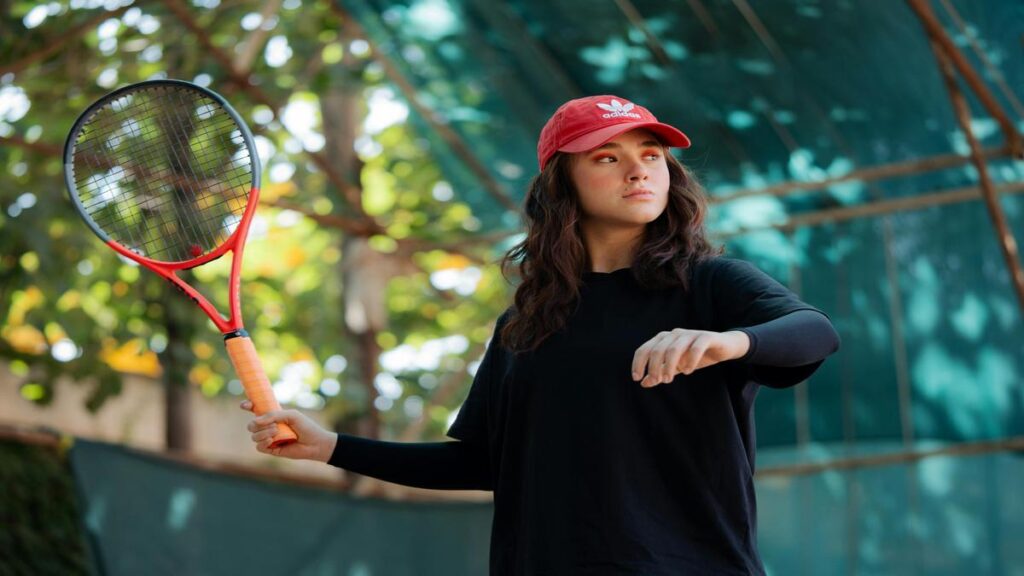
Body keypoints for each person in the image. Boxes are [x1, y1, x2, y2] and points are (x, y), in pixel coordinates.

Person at [242, 95, 841, 575]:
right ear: (564, 185)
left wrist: (728, 341)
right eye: (607, 157)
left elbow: (813, 332)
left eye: (651, 153)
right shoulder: (526, 323)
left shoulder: (711, 284)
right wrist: (330, 448)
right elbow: (482, 462)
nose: (639, 168)